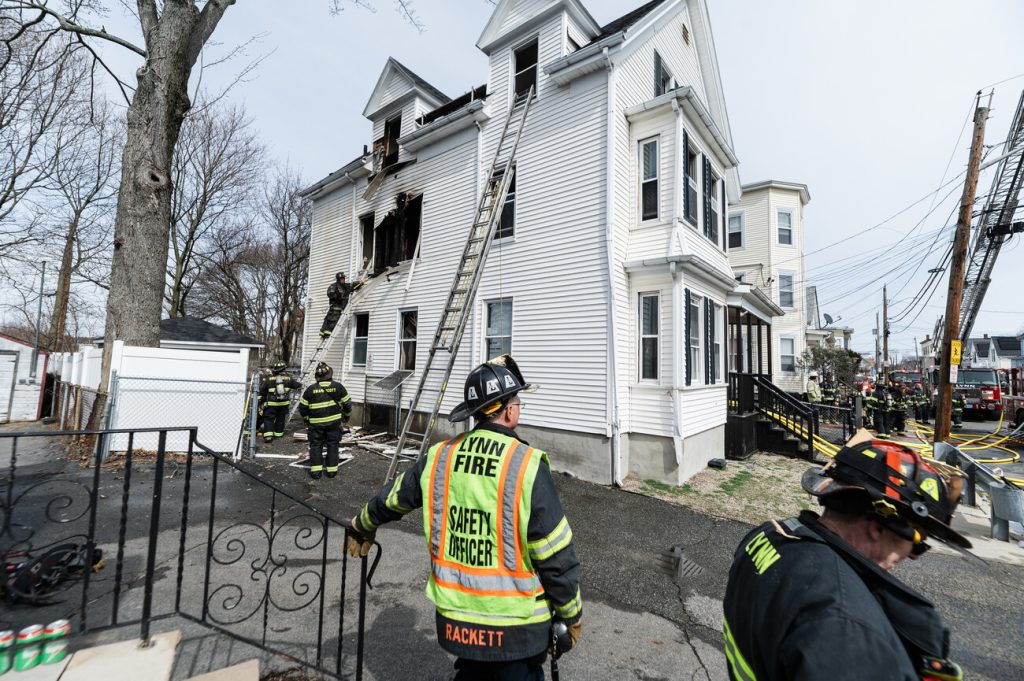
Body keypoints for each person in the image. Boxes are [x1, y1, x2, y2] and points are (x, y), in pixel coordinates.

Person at [347, 356, 582, 680]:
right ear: (510, 411)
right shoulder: (525, 464)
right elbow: (555, 553)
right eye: (518, 402)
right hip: (516, 628)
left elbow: (393, 497)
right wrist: (571, 616)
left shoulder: (439, 457)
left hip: (459, 625)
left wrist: (362, 524)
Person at [723, 435, 971, 681]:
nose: (914, 557)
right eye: (918, 543)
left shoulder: (768, 535)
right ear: (880, 526)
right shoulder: (846, 629)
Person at [298, 362, 351, 480]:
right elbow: (347, 404)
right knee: (333, 445)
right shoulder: (338, 387)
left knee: (316, 446)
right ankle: (331, 472)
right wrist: (346, 416)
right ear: (330, 374)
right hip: (334, 424)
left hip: (316, 425)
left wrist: (307, 420)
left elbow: (302, 408)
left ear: (317, 376)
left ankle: (316, 473)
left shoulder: (310, 390)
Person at [260, 360, 301, 442]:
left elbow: (262, 391)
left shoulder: (269, 379)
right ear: (283, 369)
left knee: (269, 419)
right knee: (280, 419)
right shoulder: (289, 379)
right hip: (284, 404)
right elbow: (298, 386)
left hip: (271, 404)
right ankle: (278, 435)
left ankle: (268, 436)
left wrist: (261, 402)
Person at [320, 272, 360, 338]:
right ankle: (325, 333)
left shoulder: (346, 286)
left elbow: (352, 285)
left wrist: (358, 283)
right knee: (331, 320)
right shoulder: (334, 286)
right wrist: (337, 295)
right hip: (335, 307)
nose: (343, 279)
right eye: (342, 278)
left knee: (329, 320)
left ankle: (325, 332)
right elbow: (330, 294)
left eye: (344, 278)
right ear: (338, 279)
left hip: (341, 307)